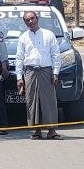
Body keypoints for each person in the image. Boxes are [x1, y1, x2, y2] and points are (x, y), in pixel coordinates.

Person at [16, 10, 60, 140]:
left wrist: (55, 73)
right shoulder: (23, 37)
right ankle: (37, 131)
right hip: (30, 72)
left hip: (46, 71)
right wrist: (19, 77)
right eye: (27, 20)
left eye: (32, 18)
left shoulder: (49, 35)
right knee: (32, 101)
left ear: (37, 18)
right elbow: (19, 58)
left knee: (49, 101)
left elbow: (55, 55)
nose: (30, 21)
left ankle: (52, 131)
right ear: (24, 22)